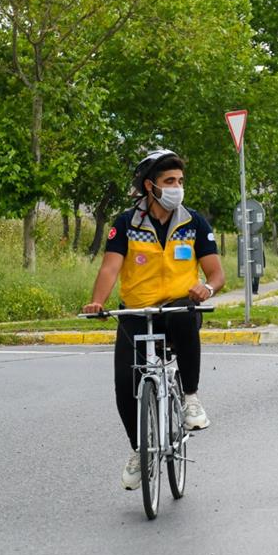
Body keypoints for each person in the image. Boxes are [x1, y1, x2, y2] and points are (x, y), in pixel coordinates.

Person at [83, 149, 226, 490]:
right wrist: (97, 302)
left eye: (180, 181)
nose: (177, 187)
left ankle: (190, 399)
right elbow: (110, 267)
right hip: (137, 312)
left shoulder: (194, 223)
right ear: (150, 186)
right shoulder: (126, 224)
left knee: (184, 316)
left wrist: (206, 288)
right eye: (169, 181)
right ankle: (139, 450)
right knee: (123, 385)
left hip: (178, 306)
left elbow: (216, 273)